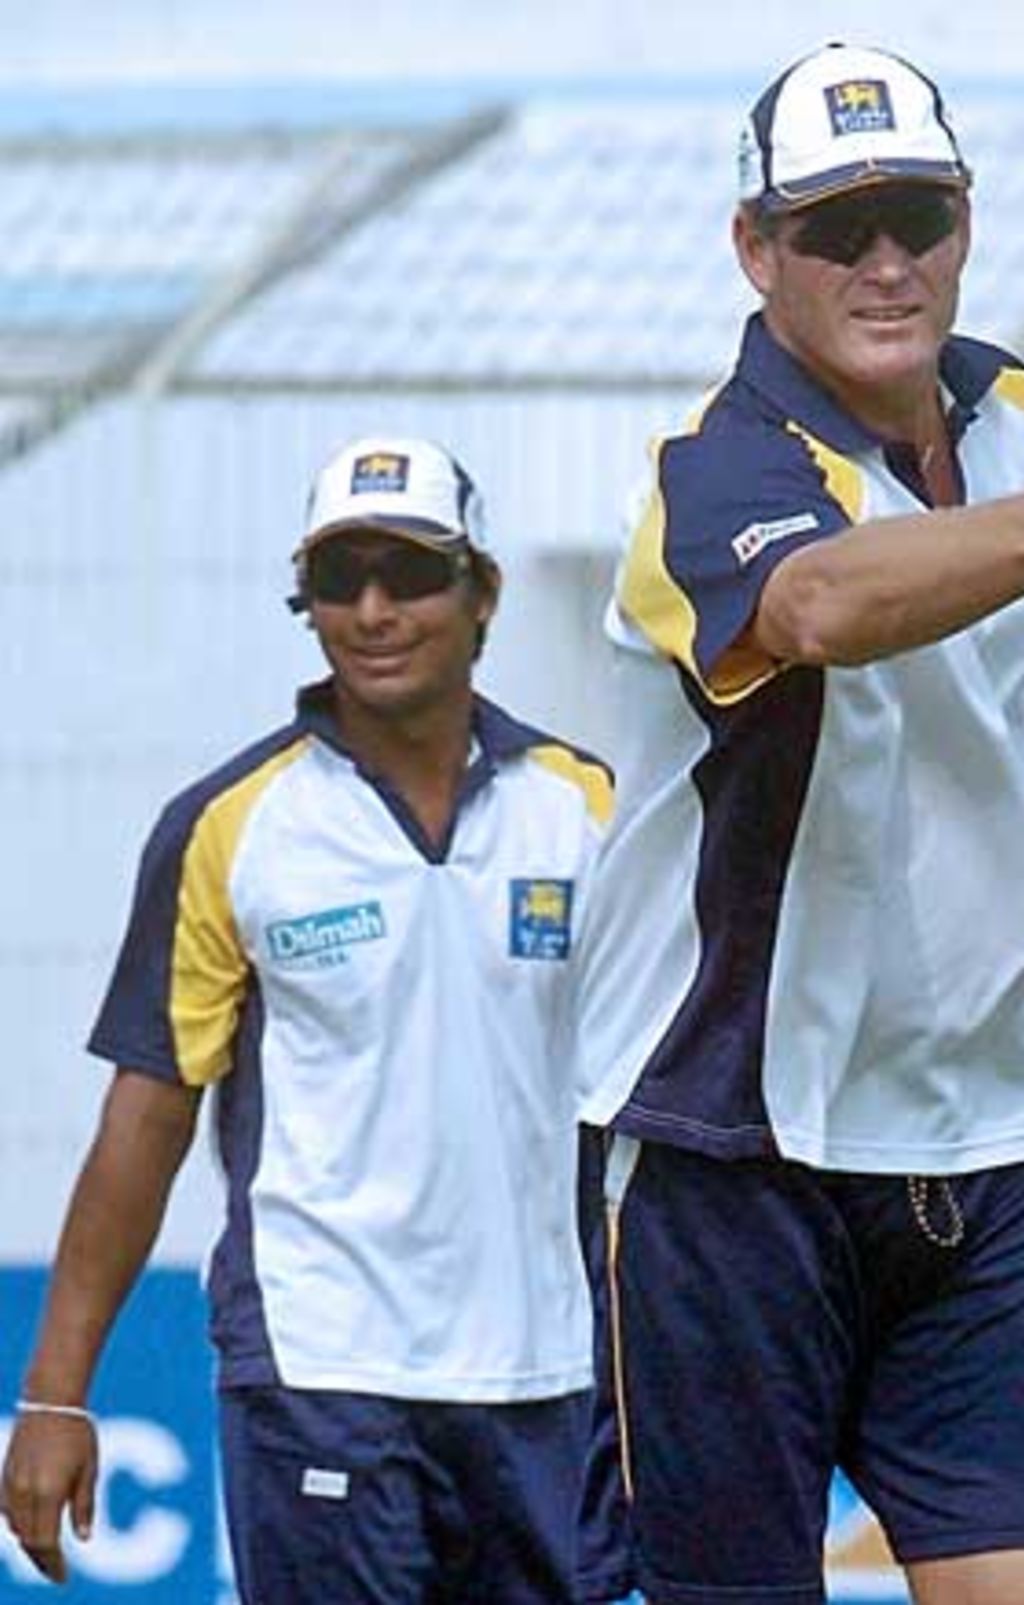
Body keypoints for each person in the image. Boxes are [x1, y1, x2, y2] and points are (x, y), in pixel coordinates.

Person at [572, 42, 1024, 1605]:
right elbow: (820, 605)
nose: (887, 262)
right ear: (757, 250)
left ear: (966, 219)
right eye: (835, 228)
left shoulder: (1007, 405)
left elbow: (992, 654)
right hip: (732, 1151)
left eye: (919, 216)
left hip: (993, 1143)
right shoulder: (721, 475)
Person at [0, 436, 613, 1603]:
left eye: (410, 573)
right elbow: (144, 1115)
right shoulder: (230, 825)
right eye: (341, 581)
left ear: (481, 593)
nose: (374, 611)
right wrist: (55, 1394)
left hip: (547, 1376)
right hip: (317, 1368)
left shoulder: (583, 809)